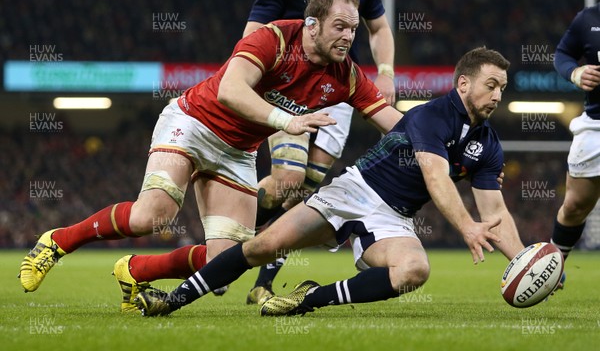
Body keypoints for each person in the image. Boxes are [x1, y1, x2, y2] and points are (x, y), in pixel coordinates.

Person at [18, 0, 401, 313]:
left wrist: (448, 132)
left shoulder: (345, 75)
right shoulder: (274, 38)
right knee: (150, 217)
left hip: (237, 152)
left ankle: (135, 271)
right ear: (312, 25)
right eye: (340, 27)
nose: (349, 37)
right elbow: (229, 90)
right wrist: (287, 122)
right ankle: (58, 241)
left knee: (224, 262)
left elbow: (394, 122)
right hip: (194, 124)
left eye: (353, 29)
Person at [135, 47, 527, 317]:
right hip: (353, 192)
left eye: (502, 89)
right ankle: (174, 299)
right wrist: (465, 227)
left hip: (394, 218)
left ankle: (309, 299)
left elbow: (495, 212)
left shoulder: (488, 145)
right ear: (463, 84)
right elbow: (435, 175)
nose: (497, 95)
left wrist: (525, 261)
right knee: (263, 245)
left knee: (412, 271)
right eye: (490, 84)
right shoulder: (432, 115)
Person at [243, 0, 396, 305]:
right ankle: (226, 242)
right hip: (292, 87)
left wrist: (385, 72)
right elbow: (252, 35)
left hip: (336, 93)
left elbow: (379, 27)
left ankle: (262, 283)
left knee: (304, 193)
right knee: (287, 179)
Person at [550, 3, 600, 262]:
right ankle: (552, 268)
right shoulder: (589, 18)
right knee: (574, 206)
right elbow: (562, 54)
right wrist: (575, 72)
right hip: (596, 126)